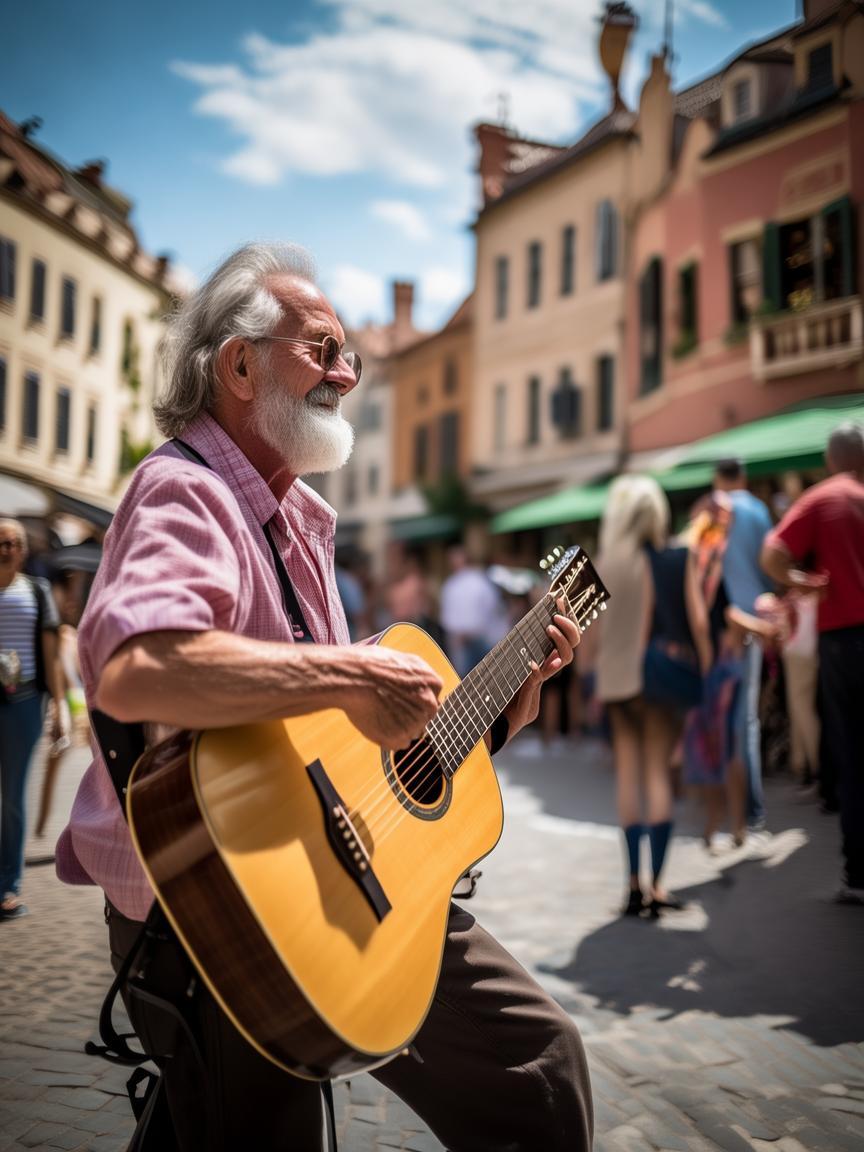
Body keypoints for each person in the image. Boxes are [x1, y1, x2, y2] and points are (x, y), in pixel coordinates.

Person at [55, 242, 590, 1151]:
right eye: (325, 349)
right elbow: (135, 668)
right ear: (238, 364)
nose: (346, 375)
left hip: (328, 892)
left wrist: (494, 714)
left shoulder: (299, 522)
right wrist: (352, 674)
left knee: (537, 1064)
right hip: (213, 920)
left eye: (350, 357)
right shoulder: (184, 492)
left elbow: (340, 759)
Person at [595, 475, 711, 918]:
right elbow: (698, 623)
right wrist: (705, 667)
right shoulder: (678, 559)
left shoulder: (610, 561)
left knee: (628, 776)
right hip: (661, 680)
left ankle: (631, 886)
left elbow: (596, 633)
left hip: (617, 680)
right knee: (657, 776)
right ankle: (658, 886)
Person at [760, 421, 864, 905]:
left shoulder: (825, 499)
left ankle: (858, 872)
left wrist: (801, 581)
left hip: (845, 639)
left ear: (829, 460)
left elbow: (773, 554)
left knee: (851, 750)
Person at [0, 518, 65, 919]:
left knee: (12, 799)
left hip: (24, 702)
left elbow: (52, 652)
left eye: (13, 542)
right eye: (1, 542)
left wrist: (59, 705)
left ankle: (8, 886)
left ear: (24, 550)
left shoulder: (37, 591)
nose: (6, 548)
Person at [712, 458, 774, 832]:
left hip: (720, 627)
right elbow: (768, 566)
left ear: (719, 479)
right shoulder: (758, 510)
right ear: (744, 477)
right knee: (745, 721)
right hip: (752, 625)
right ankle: (751, 809)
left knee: (716, 718)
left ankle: (722, 808)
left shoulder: (715, 511)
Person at [439, 544, 508, 678]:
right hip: (466, 641)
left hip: (479, 638)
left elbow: (491, 607)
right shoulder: (452, 585)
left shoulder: (476, 580)